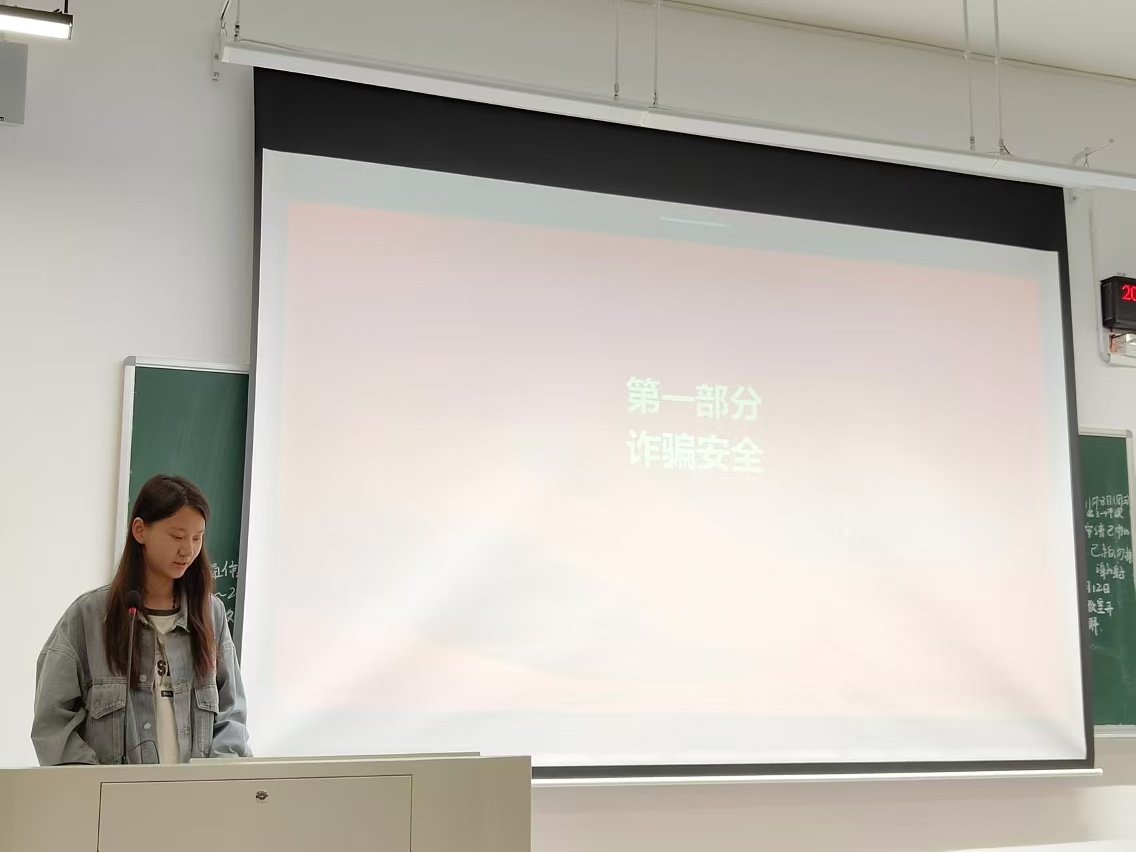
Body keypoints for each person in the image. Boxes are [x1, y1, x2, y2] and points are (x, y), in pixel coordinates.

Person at [31, 474, 251, 765]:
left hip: (198, 793)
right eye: (177, 536)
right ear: (140, 530)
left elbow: (232, 716)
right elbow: (52, 725)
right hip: (115, 794)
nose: (188, 550)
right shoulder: (89, 616)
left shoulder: (211, 614)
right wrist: (97, 784)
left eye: (197, 538)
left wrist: (213, 782)